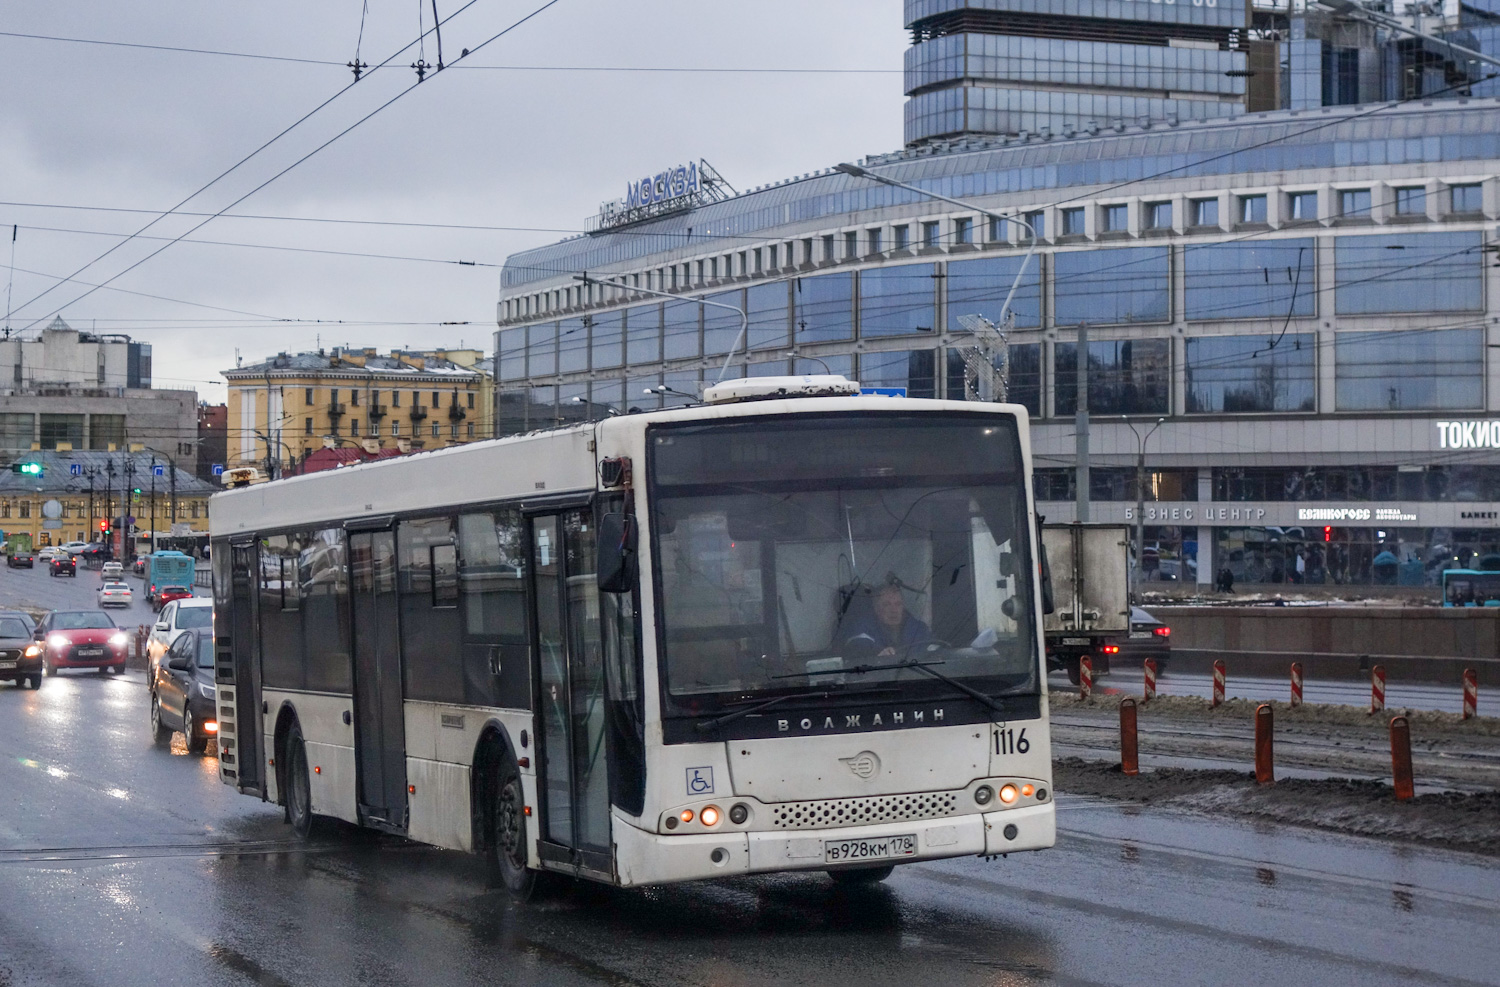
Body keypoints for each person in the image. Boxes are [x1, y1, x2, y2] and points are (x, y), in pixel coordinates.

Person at [843, 583, 931, 657]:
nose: (893, 610)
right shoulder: (863, 628)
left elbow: (935, 651)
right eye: (886, 604)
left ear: (903, 607)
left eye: (898, 604)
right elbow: (857, 648)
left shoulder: (919, 629)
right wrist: (878, 654)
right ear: (876, 608)